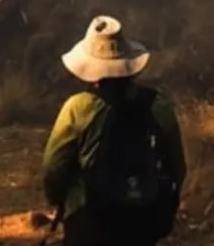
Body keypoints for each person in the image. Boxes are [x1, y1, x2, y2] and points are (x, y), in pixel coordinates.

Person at [41, 16, 186, 246]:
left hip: (89, 222)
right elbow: (177, 168)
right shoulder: (159, 105)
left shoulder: (77, 108)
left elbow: (54, 169)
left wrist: (59, 202)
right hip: (144, 219)